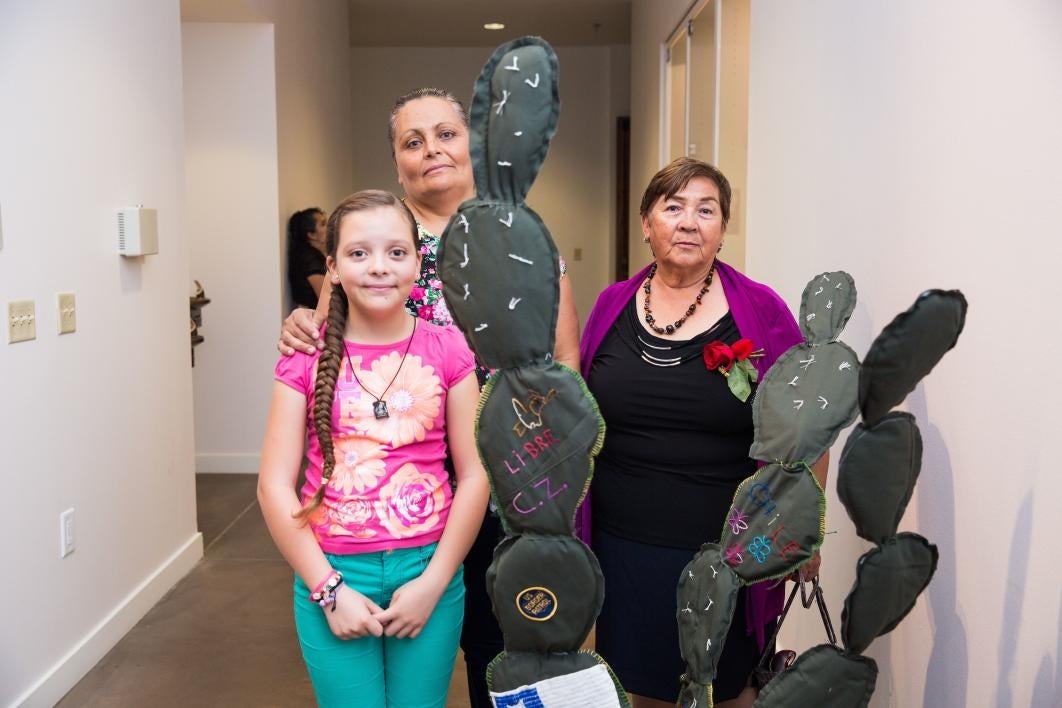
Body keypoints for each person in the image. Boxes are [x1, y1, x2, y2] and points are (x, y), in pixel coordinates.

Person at [276, 88, 581, 708]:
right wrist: (298, 325)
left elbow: (565, 361)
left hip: (508, 473)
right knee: (410, 643)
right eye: (412, 141)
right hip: (400, 479)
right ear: (397, 162)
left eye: (445, 133)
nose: (432, 150)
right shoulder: (380, 240)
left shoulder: (522, 235)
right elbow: (331, 334)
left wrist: (542, 462)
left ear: (472, 143)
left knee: (502, 643)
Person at [579, 157, 827, 708]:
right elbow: (578, 411)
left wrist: (805, 528)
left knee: (726, 690)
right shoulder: (609, 305)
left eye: (706, 210)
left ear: (722, 228)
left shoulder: (761, 311)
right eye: (673, 207)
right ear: (646, 223)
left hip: (730, 548)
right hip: (623, 546)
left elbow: (809, 422)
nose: (688, 222)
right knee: (638, 688)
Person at [258, 189, 490, 708]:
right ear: (333, 267)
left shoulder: (449, 348)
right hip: (333, 570)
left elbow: (475, 474)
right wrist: (329, 590)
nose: (379, 268)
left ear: (416, 260)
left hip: (430, 568)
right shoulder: (305, 356)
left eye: (396, 252)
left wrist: (435, 581)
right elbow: (273, 484)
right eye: (359, 253)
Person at [287, 207, 329, 308]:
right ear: (311, 235)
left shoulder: (317, 255)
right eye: (323, 224)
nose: (329, 227)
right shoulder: (310, 260)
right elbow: (327, 302)